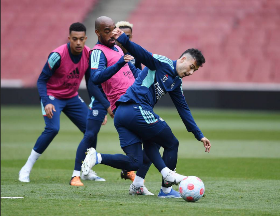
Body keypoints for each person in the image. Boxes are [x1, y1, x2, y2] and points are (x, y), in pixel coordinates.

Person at [82, 27, 212, 198]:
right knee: (171, 143)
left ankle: (99, 159)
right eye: (191, 67)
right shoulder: (162, 62)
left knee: (135, 161)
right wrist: (124, 39)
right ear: (183, 59)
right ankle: (166, 185)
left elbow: (183, 109)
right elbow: (142, 54)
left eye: (194, 70)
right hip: (135, 108)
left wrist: (199, 134)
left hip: (123, 114)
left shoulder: (175, 82)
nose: (190, 72)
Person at [69, 17, 152, 192]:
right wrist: (106, 105)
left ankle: (130, 177)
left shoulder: (118, 49)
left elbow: (132, 72)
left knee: (139, 157)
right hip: (119, 104)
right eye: (107, 30)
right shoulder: (98, 52)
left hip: (132, 103)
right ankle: (76, 174)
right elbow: (95, 79)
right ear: (97, 32)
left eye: (113, 29)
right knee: (90, 134)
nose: (112, 34)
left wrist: (152, 75)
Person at [18, 22, 108, 183]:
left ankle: (86, 171)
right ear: (69, 39)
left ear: (86, 38)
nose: (78, 42)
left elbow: (91, 83)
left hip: (71, 97)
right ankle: (26, 167)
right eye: (75, 39)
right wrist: (46, 101)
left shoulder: (88, 54)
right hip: (52, 97)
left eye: (81, 39)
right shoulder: (57, 55)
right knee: (52, 129)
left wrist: (96, 106)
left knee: (91, 130)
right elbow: (41, 80)